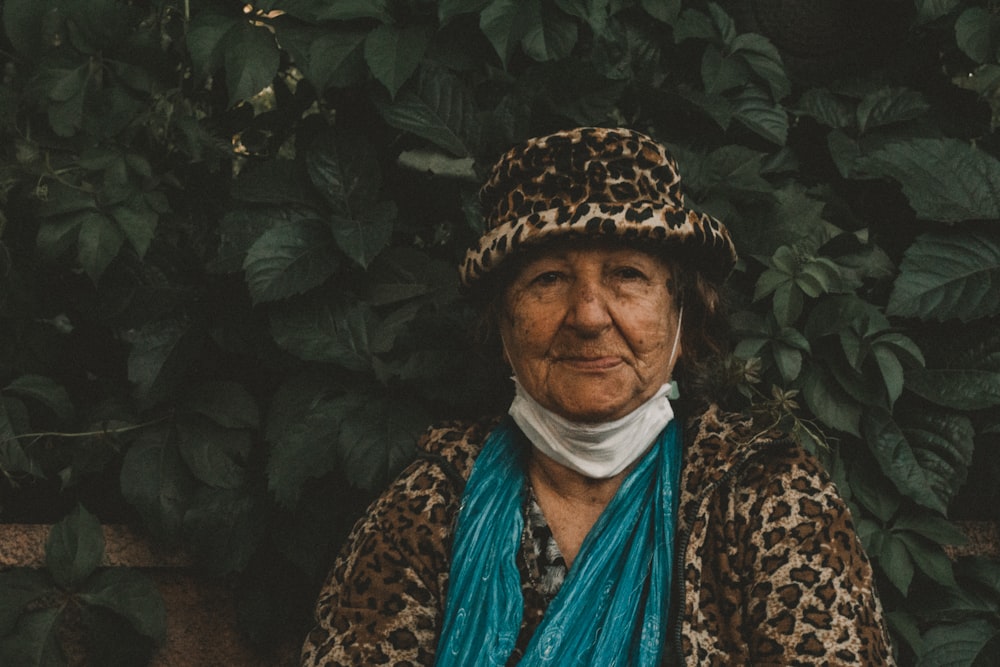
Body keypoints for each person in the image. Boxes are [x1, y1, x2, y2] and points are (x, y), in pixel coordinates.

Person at [300, 127, 894, 665]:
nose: (587, 315)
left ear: (681, 316)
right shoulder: (432, 503)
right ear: (503, 329)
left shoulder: (765, 497)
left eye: (627, 275)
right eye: (548, 280)